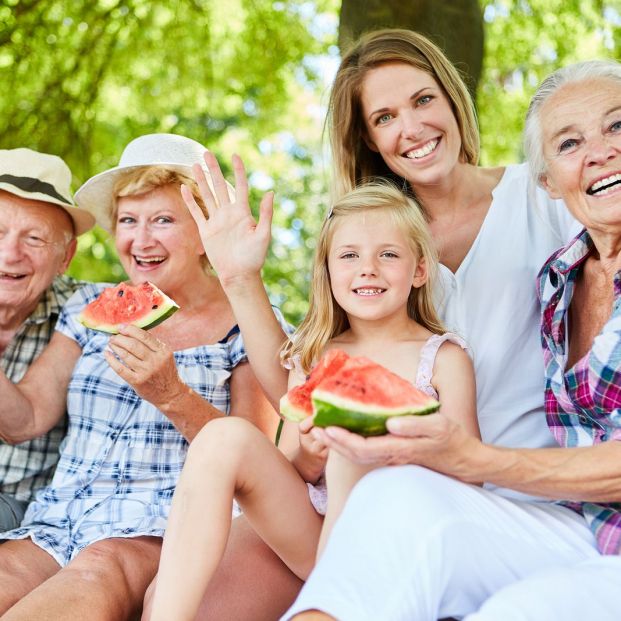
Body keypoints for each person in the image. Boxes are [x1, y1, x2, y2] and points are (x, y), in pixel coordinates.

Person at [142, 28, 581, 619]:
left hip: (495, 489)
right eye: (385, 116)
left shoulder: (546, 194)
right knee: (191, 601)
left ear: (453, 100)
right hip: (346, 496)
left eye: (424, 100)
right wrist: (240, 278)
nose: (412, 128)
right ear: (369, 139)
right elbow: (302, 393)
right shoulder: (369, 240)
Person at [283, 60, 621, 621]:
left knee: (514, 610)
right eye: (569, 143)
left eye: (618, 126)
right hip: (578, 525)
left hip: (572, 525)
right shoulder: (560, 278)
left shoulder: (532, 232)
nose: (600, 152)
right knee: (392, 497)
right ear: (549, 183)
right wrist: (242, 280)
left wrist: (476, 456)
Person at [148, 179, 479, 621]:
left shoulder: (444, 357)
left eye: (389, 254)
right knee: (222, 437)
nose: (368, 268)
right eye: (349, 255)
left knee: (351, 454)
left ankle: (331, 605)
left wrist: (391, 449)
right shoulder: (314, 356)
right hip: (310, 536)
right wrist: (308, 452)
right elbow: (293, 468)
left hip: (394, 541)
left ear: (419, 270)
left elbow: (471, 475)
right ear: (327, 271)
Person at [0, 133, 283, 621]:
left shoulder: (250, 322)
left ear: (203, 231)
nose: (141, 239)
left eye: (163, 220)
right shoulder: (86, 309)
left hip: (157, 529)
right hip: (53, 521)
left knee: (98, 567)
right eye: (128, 221)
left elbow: (254, 459)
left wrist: (172, 395)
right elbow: (25, 418)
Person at [0, 147, 95, 531]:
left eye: (35, 238)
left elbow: (21, 425)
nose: (10, 255)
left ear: (66, 256)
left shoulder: (84, 311)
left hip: (17, 503)